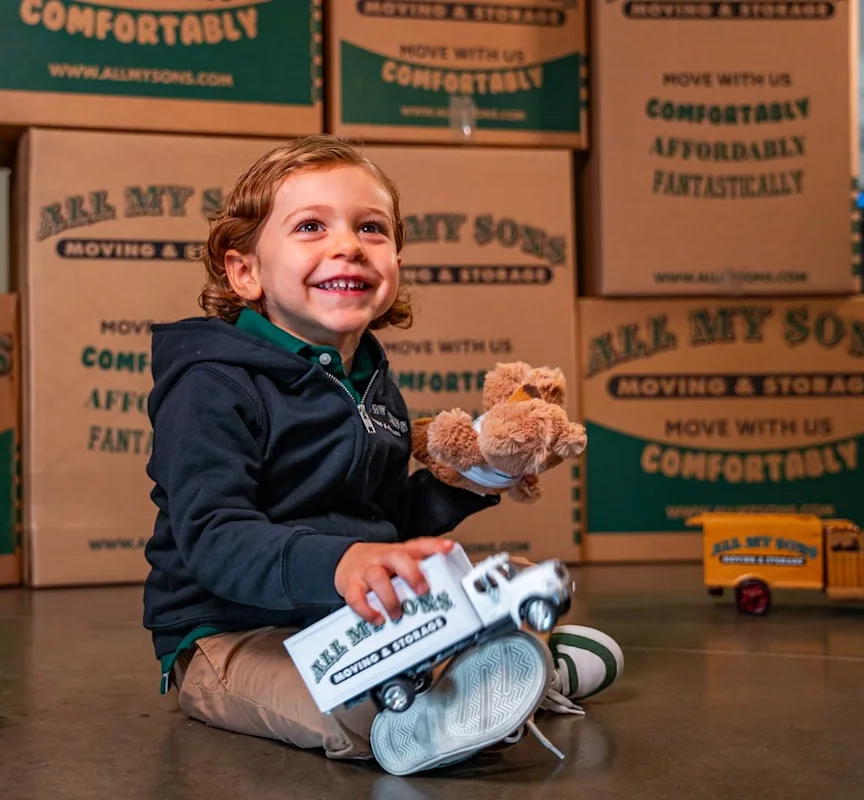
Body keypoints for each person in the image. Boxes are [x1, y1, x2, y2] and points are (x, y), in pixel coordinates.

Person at [142, 134, 623, 775]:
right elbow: (214, 536)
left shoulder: (370, 381)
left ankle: (495, 674)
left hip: (346, 613)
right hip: (231, 634)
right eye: (311, 226)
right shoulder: (212, 383)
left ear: (394, 261)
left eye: (371, 228)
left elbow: (387, 519)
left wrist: (475, 477)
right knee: (354, 703)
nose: (347, 245)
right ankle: (486, 691)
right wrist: (343, 562)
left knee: (503, 580)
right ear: (245, 272)